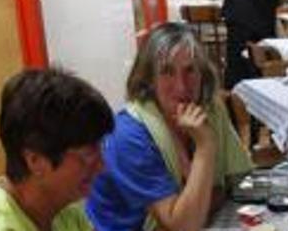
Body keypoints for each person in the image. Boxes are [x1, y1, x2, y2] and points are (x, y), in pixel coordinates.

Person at [86, 22, 252, 231]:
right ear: (149, 80)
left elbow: (237, 185)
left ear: (203, 74)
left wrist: (195, 200)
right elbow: (184, 225)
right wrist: (205, 146)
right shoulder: (128, 135)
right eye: (167, 71)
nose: (182, 86)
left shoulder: (209, 110)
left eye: (190, 70)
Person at [0, 69, 114, 231]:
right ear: (35, 161)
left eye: (100, 146)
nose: (101, 166)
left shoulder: (63, 205)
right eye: (88, 154)